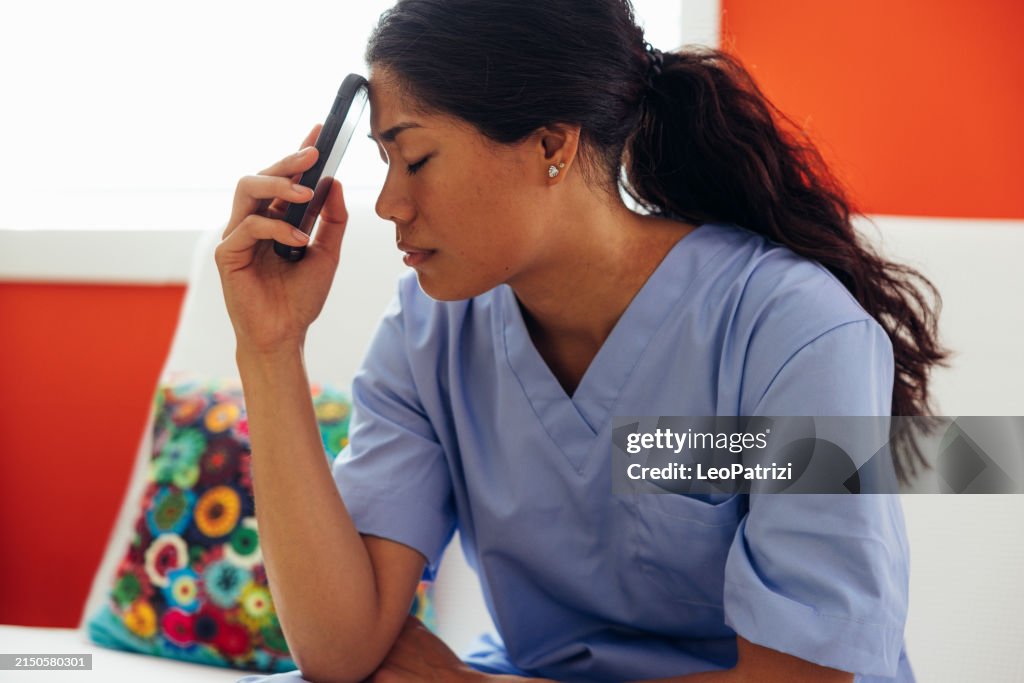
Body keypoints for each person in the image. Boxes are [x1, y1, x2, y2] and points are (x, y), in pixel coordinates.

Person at [218, 1, 948, 681]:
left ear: (551, 144)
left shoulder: (795, 329)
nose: (389, 205)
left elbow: (801, 677)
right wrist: (270, 347)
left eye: (416, 160)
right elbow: (337, 648)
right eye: (382, 164)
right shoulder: (428, 330)